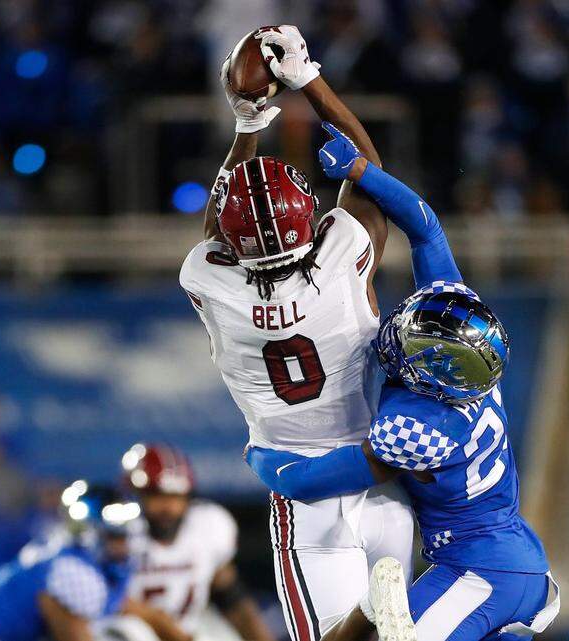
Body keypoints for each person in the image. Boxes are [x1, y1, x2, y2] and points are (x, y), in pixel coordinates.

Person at [245, 124, 558, 641]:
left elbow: (304, 481)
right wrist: (363, 173)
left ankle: (372, 605)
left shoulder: (417, 426)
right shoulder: (465, 363)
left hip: (477, 573)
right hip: (512, 562)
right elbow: (427, 228)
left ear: (429, 376)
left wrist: (261, 457)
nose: (403, 327)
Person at [178, 25, 415, 641]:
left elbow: (215, 226)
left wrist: (248, 123)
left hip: (301, 496)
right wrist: (311, 80)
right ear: (307, 217)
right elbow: (369, 172)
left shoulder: (214, 281)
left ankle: (367, 618)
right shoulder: (340, 260)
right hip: (381, 471)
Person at [0, 481, 138, 641]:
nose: (122, 547)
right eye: (113, 537)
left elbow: (141, 611)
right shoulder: (73, 570)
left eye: (123, 537)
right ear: (88, 533)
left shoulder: (63, 555)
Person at [119, 444, 273, 641]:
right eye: (156, 495)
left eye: (175, 496)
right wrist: (163, 627)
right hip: (131, 634)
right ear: (134, 495)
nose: (168, 507)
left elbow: (231, 598)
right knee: (129, 632)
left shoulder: (206, 527)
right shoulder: (118, 534)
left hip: (187, 631)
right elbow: (105, 600)